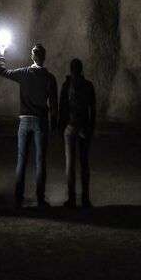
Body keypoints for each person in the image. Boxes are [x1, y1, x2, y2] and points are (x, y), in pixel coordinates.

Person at [0, 41, 58, 208]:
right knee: (40, 162)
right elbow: (53, 104)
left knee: (21, 160)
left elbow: (2, 71)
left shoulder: (23, 73)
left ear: (32, 56)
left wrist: (2, 53)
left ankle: (18, 198)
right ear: (44, 58)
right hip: (41, 122)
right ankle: (40, 199)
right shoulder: (50, 78)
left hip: (24, 121)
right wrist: (55, 124)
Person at [58, 58, 96, 208]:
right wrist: (92, 126)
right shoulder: (88, 86)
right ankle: (85, 198)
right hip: (84, 125)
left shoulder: (67, 85)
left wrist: (61, 127)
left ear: (70, 69)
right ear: (81, 69)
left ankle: (72, 198)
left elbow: (62, 108)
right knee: (84, 162)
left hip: (70, 125)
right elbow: (93, 109)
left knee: (70, 163)